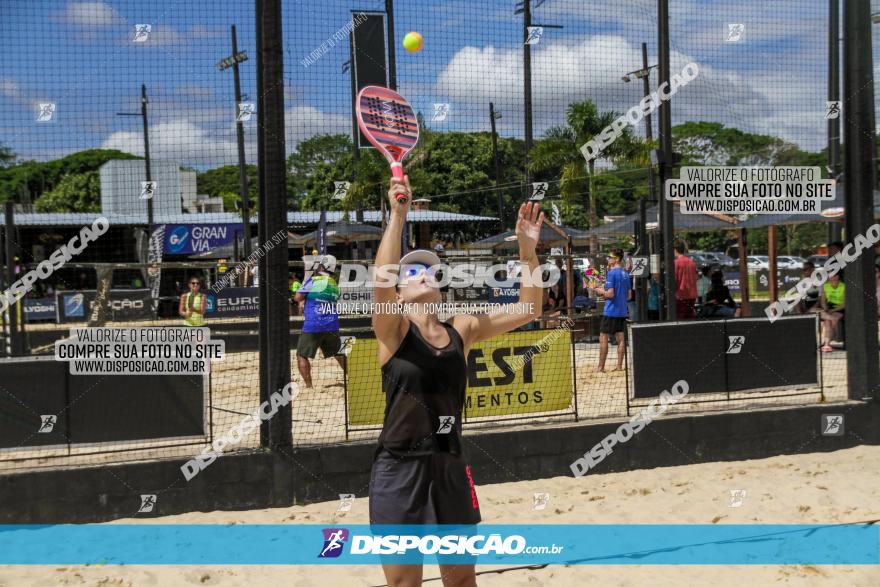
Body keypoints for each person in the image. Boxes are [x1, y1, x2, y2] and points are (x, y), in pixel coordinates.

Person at [369, 176, 542, 587]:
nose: (424, 273)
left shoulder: (461, 328)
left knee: (462, 581)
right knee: (404, 583)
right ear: (400, 286)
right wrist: (398, 214)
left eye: (430, 269)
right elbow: (380, 278)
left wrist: (527, 251)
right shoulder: (391, 331)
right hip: (399, 468)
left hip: (449, 464)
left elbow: (530, 307)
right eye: (413, 270)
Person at [294, 257, 345, 388]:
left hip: (313, 324)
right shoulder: (334, 284)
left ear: (321, 267)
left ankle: (309, 386)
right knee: (338, 353)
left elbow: (297, 297)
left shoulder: (313, 280)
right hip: (332, 324)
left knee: (301, 355)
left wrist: (303, 298)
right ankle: (352, 376)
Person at [592, 248, 631, 373]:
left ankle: (600, 367)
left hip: (611, 311)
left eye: (609, 257)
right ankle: (619, 366)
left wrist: (599, 290)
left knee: (603, 337)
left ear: (616, 259)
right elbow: (629, 296)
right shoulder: (625, 273)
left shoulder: (612, 273)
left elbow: (610, 294)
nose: (607, 259)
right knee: (621, 338)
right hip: (622, 311)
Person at [813, 271, 845, 353]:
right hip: (829, 308)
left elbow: (844, 304)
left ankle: (826, 343)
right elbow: (823, 301)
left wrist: (832, 310)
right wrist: (826, 309)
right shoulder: (825, 286)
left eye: (831, 275)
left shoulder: (843, 286)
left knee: (830, 321)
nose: (829, 277)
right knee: (828, 320)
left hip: (839, 309)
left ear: (837, 276)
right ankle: (827, 344)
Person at [674, 242, 697, 319]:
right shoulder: (692, 262)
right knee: (690, 318)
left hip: (681, 294)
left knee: (680, 318)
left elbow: (675, 279)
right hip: (692, 294)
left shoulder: (676, 262)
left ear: (675, 250)